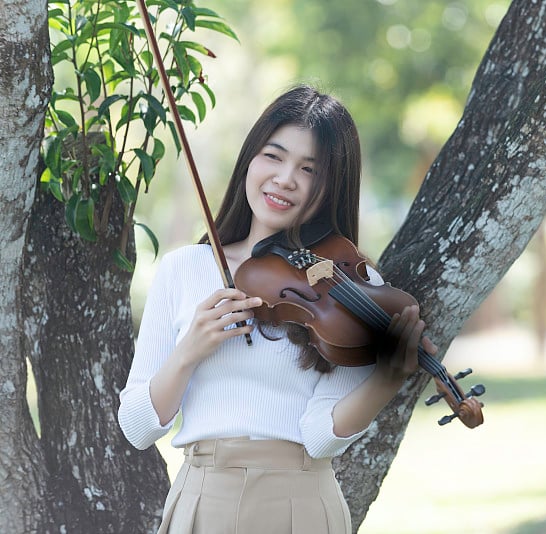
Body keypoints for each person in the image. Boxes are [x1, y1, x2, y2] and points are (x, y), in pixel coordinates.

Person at [118, 85, 436, 534]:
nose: (285, 178)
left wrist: (386, 381)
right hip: (202, 498)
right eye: (274, 156)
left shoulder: (349, 284)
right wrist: (189, 349)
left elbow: (321, 437)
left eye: (309, 170)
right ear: (250, 158)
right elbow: (137, 426)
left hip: (301, 503)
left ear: (331, 189)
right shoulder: (184, 268)